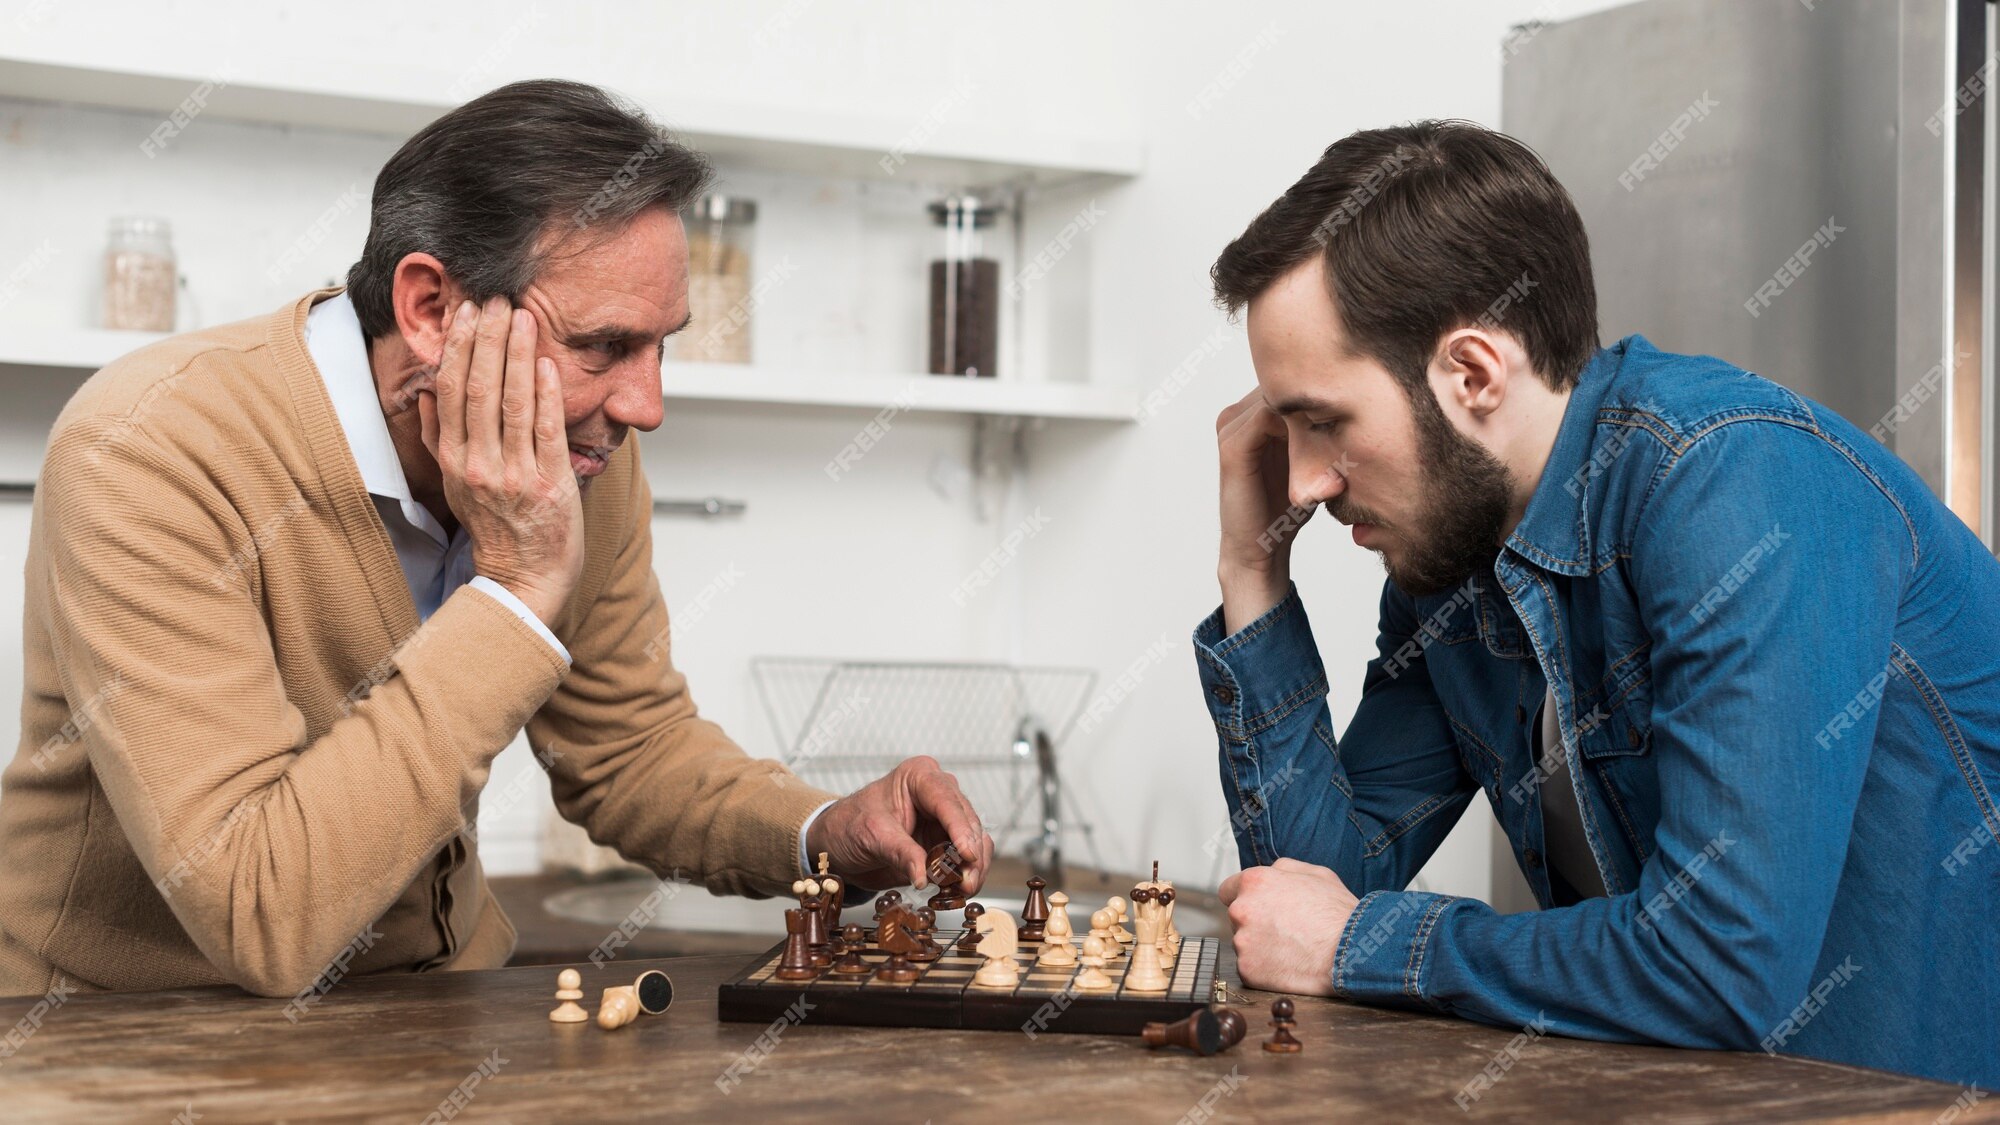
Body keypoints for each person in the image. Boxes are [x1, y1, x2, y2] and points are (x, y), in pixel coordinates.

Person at [0, 80, 988, 1000]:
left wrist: (821, 835)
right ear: (429, 309)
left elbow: (629, 751)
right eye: (602, 345)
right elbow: (262, 913)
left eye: (662, 343)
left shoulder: (574, 441)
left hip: (433, 1013)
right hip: (132, 1036)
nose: (644, 406)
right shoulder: (147, 452)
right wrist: (515, 587)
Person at [1203, 119, 1998, 1086]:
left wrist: (1362, 942)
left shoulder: (1733, 480)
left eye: (1324, 421)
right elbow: (1310, 897)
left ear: (1472, 374)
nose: (1304, 483)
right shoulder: (1453, 561)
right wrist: (1253, 573)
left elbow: (1720, 963)